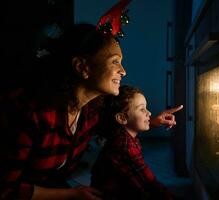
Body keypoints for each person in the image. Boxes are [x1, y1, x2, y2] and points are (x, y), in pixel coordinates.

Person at [0, 22, 183, 200]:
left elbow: (121, 121)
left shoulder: (91, 110)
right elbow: (5, 190)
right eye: (115, 62)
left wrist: (153, 121)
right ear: (82, 67)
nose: (123, 71)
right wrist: (72, 194)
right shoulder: (31, 113)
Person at [90, 85, 173, 200]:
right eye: (142, 109)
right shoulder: (124, 147)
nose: (149, 113)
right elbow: (150, 185)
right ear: (122, 118)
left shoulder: (120, 136)